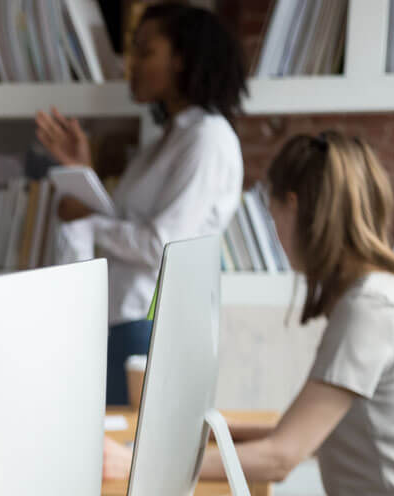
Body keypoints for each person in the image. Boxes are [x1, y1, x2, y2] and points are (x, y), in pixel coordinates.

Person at [104, 132, 394, 496]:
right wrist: (177, 436)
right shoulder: (382, 293)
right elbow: (306, 433)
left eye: (273, 216)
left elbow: (283, 455)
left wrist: (138, 466)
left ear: (295, 207)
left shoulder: (370, 309)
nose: (278, 233)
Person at [37, 1, 246, 405]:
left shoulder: (207, 139)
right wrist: (82, 172)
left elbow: (163, 245)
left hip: (149, 327)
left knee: (126, 455)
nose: (131, 63)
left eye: (146, 51)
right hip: (121, 319)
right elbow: (125, 227)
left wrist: (90, 221)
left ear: (183, 60)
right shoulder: (163, 143)